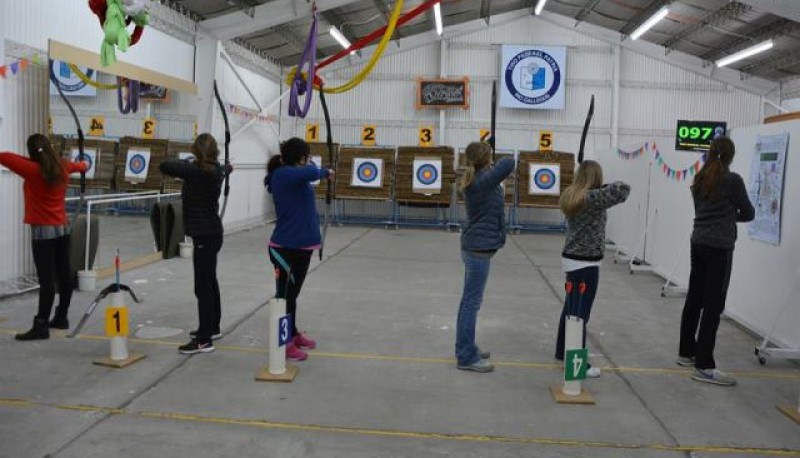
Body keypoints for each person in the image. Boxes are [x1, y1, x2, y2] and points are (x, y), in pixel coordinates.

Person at [678, 137, 754, 386]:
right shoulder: (732, 180)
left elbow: (702, 211)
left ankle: (686, 352)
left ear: (710, 153)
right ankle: (704, 365)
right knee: (713, 305)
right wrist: (730, 217)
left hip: (698, 242)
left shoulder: (700, 178)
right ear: (730, 156)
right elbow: (749, 212)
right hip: (720, 248)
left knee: (695, 298)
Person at [0, 134, 87, 340]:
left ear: (32, 152)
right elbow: (82, 166)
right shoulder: (63, 166)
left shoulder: (33, 170)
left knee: (46, 280)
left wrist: (31, 160)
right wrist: (82, 163)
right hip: (62, 229)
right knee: (64, 275)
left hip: (43, 233)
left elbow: (4, 156)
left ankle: (41, 325)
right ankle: (61, 317)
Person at [555, 160, 630, 378]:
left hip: (571, 260)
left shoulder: (572, 194)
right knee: (580, 315)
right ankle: (578, 364)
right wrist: (603, 186)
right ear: (596, 178)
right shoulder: (593, 198)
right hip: (586, 264)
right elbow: (623, 189)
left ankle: (562, 351)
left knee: (570, 309)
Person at [159, 133, 230, 355]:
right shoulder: (217, 170)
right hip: (212, 233)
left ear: (195, 151)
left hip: (204, 235)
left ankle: (203, 339)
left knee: (202, 286)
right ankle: (212, 327)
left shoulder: (195, 170)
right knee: (209, 281)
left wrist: (190, 161)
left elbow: (165, 165)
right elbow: (226, 168)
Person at [265, 137, 334, 362]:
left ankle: (292, 334)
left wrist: (319, 170)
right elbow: (312, 172)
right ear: (301, 157)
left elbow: (309, 173)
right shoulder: (283, 174)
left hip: (302, 247)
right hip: (284, 248)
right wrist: (324, 171)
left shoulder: (295, 175)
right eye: (307, 156)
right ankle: (284, 344)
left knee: (292, 297)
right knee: (285, 298)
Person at [455, 142, 515, 373]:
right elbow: (509, 162)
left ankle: (467, 347)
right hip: (477, 250)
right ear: (486, 160)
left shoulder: (480, 179)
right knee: (471, 303)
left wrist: (488, 156)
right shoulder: (482, 181)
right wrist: (493, 155)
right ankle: (466, 356)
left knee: (469, 302)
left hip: (476, 248)